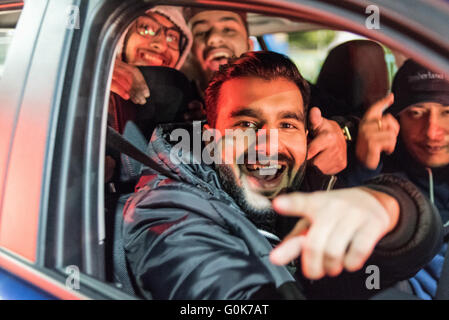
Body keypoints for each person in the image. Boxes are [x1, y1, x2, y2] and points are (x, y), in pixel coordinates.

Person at [122, 51, 443, 300]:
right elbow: (214, 286)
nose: (268, 145)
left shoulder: (305, 192)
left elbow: (388, 261)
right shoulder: (165, 206)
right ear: (209, 138)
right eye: (246, 125)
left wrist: (393, 212)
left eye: (287, 125)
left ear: (306, 136)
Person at [182, 8, 350, 176]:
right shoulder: (176, 103)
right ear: (188, 54)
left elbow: (353, 119)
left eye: (228, 30)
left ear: (250, 46)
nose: (214, 38)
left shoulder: (291, 90)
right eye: (202, 32)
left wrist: (342, 132)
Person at [344, 59, 449, 299]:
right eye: (415, 113)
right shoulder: (377, 172)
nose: (432, 131)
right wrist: (364, 170)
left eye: (447, 112)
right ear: (395, 118)